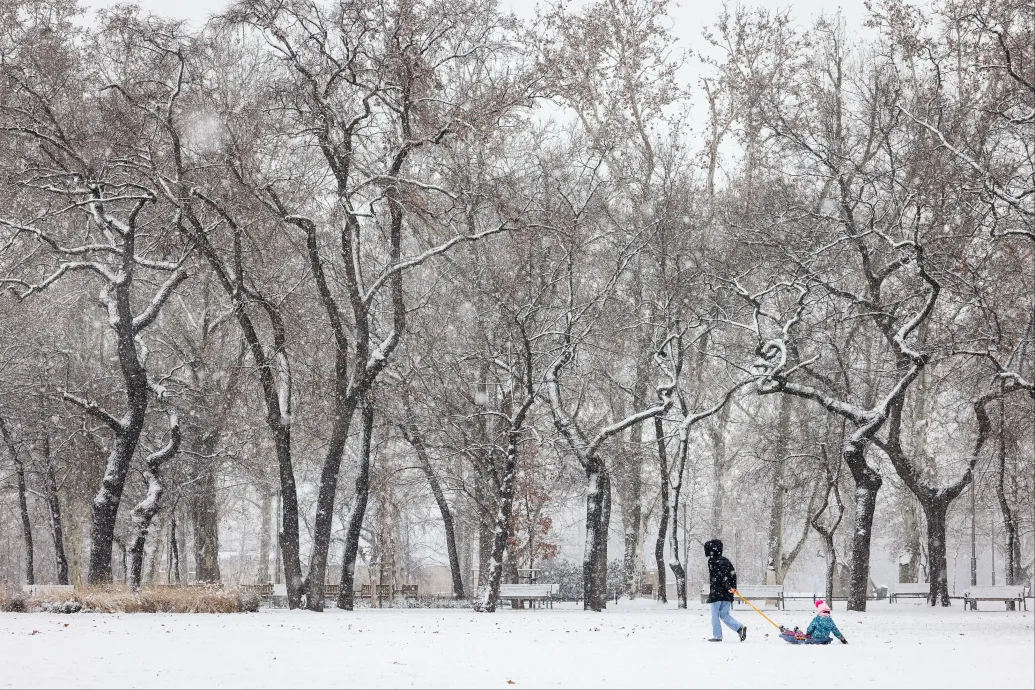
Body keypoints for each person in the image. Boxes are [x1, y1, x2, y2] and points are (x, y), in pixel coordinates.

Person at [704, 538, 746, 642]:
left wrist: (726, 586)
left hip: (717, 593)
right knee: (724, 615)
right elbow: (732, 575)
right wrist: (732, 588)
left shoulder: (712, 561)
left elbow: (719, 576)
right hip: (727, 593)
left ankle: (717, 636)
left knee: (715, 615)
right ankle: (739, 628)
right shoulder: (726, 560)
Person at [780, 600, 848, 645]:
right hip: (823, 639)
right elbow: (836, 631)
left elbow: (810, 628)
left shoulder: (817, 619)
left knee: (799, 636)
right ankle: (795, 631)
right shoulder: (831, 621)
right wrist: (842, 639)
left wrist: (807, 634)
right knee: (802, 635)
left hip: (814, 638)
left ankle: (787, 632)